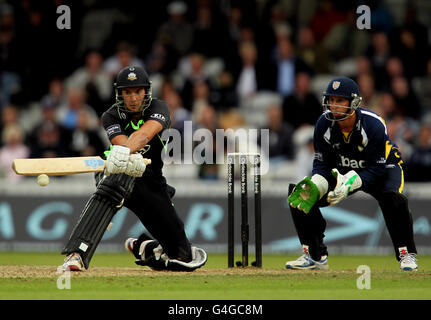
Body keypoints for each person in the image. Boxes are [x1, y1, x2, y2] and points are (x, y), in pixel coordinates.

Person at [60, 66, 207, 272]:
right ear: (119, 94)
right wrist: (125, 154)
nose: (133, 98)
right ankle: (77, 254)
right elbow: (120, 143)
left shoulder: (159, 107)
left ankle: (145, 246)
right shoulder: (110, 115)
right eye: (127, 92)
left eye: (137, 91)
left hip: (151, 180)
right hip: (119, 170)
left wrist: (128, 150)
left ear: (146, 92)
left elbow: (146, 133)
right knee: (114, 183)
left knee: (181, 255)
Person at [286, 77, 418, 271]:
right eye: (331, 100)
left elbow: (375, 169)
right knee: (302, 193)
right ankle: (315, 256)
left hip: (382, 167)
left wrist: (351, 183)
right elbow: (321, 165)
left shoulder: (373, 124)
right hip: (343, 168)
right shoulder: (323, 124)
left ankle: (406, 254)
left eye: (340, 101)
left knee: (393, 199)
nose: (334, 105)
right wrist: (318, 185)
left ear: (354, 103)